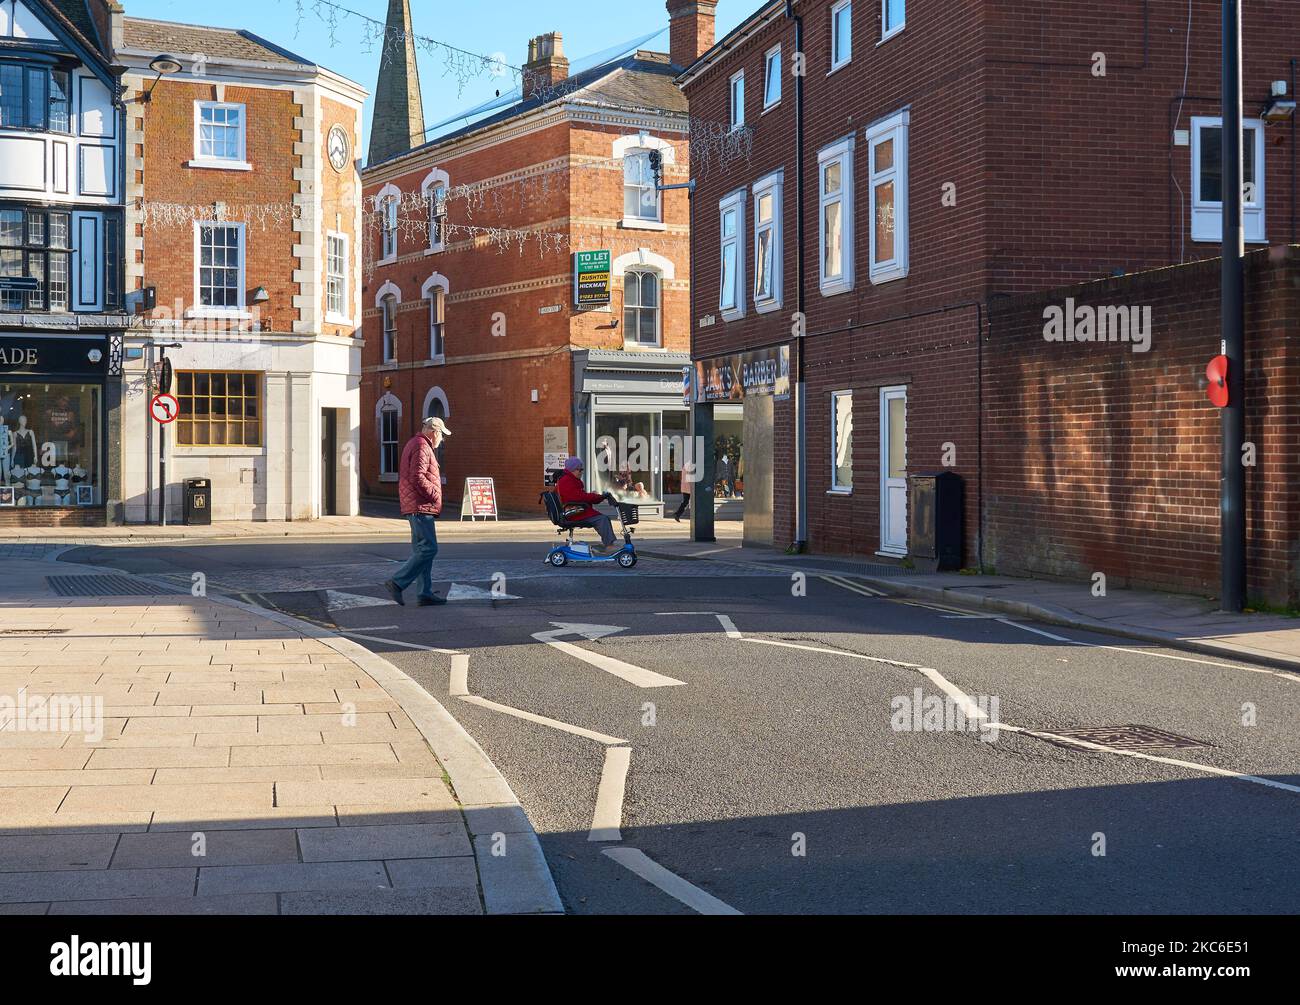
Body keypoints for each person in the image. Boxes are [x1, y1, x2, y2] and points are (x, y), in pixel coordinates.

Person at [385, 416, 451, 606]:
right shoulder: (422, 446)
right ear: (434, 431)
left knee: (421, 550)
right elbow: (417, 476)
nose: (442, 439)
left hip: (415, 505)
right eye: (441, 434)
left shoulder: (416, 443)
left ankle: (424, 592)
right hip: (420, 505)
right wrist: (433, 495)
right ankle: (397, 583)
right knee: (429, 548)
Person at [557, 455, 619, 554]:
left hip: (577, 509)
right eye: (579, 470)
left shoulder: (568, 479)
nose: (581, 472)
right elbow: (579, 497)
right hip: (575, 512)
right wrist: (598, 497)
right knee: (602, 519)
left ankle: (607, 543)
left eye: (582, 469)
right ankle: (609, 546)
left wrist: (595, 496)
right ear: (572, 470)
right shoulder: (567, 481)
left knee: (600, 517)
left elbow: (580, 496)